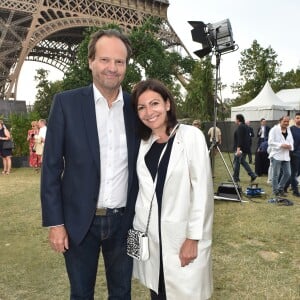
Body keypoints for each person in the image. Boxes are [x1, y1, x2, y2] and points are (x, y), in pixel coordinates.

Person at [40, 29, 139, 299]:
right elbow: (50, 168)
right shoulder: (65, 103)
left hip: (125, 223)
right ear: (90, 61)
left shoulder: (136, 108)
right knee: (81, 293)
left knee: (122, 292)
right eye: (105, 60)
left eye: (120, 62)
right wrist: (55, 224)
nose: (113, 68)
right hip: (77, 223)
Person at [131, 79, 214, 300]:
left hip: (181, 239)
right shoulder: (143, 143)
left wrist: (193, 238)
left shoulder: (190, 136)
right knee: (157, 293)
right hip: (151, 241)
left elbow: (202, 192)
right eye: (141, 107)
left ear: (167, 104)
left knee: (184, 294)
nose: (149, 112)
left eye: (154, 103)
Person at [267, 116, 293, 197]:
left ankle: (280, 188)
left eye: (287, 122)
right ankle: (275, 191)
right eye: (284, 121)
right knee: (275, 174)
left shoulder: (288, 130)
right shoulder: (274, 129)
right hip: (276, 155)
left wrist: (290, 146)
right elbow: (270, 142)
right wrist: (281, 145)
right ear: (280, 121)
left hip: (286, 155)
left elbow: (291, 141)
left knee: (288, 173)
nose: (286, 123)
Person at [232, 114, 257, 183]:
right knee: (241, 161)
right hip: (245, 148)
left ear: (238, 119)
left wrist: (238, 149)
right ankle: (251, 175)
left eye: (235, 119)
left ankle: (236, 178)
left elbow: (240, 139)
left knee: (238, 162)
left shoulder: (241, 127)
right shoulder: (246, 126)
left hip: (241, 148)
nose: (234, 120)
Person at [288, 113, 300, 196]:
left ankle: (285, 186)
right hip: (294, 153)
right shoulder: (291, 129)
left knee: (296, 172)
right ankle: (295, 191)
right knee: (294, 172)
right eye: (297, 118)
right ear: (294, 119)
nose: (299, 119)